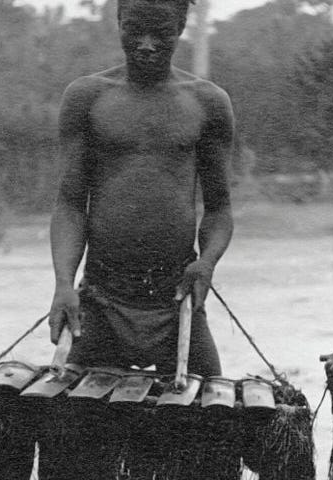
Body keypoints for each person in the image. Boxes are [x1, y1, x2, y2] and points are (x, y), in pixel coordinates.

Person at [46, 0, 235, 377]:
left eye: (161, 32)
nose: (146, 44)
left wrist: (207, 263)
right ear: (118, 23)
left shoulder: (208, 102)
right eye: (134, 30)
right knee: (67, 418)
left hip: (177, 297)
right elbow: (69, 204)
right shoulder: (87, 97)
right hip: (101, 298)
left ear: (181, 28)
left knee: (213, 417)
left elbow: (219, 210)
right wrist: (64, 284)